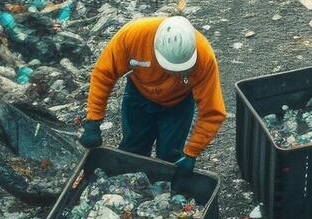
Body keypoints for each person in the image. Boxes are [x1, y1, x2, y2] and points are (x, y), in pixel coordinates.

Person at [80, 15, 225, 172]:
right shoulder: (134, 36)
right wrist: (93, 122)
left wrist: (192, 153)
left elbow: (212, 112)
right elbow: (104, 74)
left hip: (178, 103)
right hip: (139, 95)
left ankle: (165, 186)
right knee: (132, 151)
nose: (174, 74)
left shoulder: (204, 58)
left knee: (170, 157)